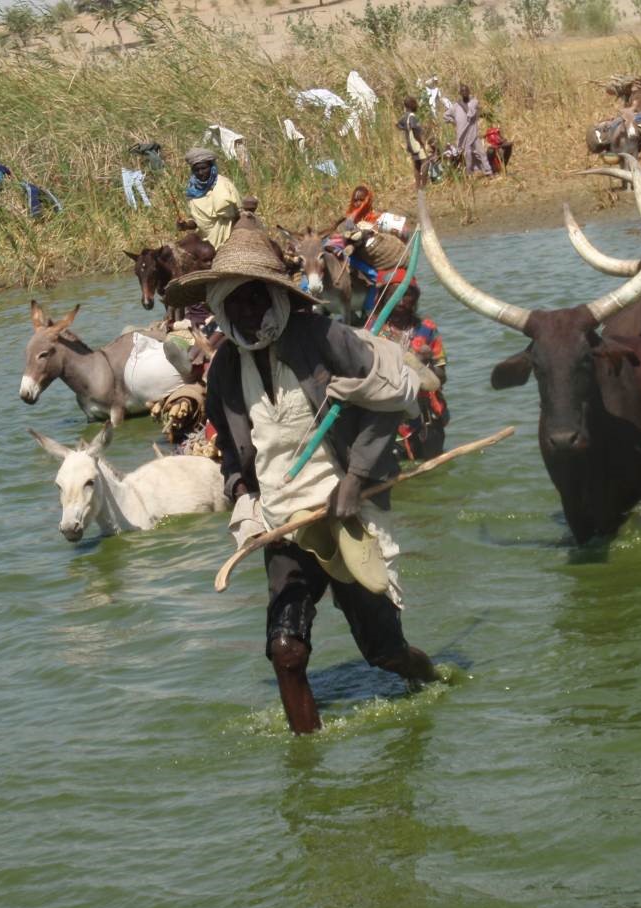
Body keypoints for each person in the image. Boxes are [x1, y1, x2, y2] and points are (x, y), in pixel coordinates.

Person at [166, 204, 439, 735]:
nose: (246, 312)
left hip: (343, 514)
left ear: (276, 294)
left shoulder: (325, 339)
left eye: (255, 297)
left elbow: (385, 402)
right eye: (233, 301)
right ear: (219, 307)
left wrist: (356, 479)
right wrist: (242, 495)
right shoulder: (224, 368)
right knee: (286, 654)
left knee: (384, 654)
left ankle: (430, 682)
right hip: (283, 526)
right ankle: (306, 772)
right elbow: (232, 451)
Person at [377, 284, 449, 460]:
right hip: (389, 416)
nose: (401, 301)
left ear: (415, 299)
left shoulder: (427, 329)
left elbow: (441, 376)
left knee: (432, 466)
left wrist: (424, 364)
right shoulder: (374, 330)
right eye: (394, 295)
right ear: (383, 298)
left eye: (406, 295)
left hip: (426, 414)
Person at [184, 148, 242, 251]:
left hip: (230, 239)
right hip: (204, 247)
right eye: (196, 170)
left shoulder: (224, 185)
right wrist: (185, 225)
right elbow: (196, 222)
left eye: (204, 168)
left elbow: (240, 212)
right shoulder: (192, 192)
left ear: (212, 167)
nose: (201, 173)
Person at [446, 84, 493, 177]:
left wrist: (461, 103)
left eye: (466, 91)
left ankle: (489, 172)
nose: (464, 93)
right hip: (463, 136)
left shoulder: (474, 102)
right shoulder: (455, 106)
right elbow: (446, 115)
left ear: (469, 91)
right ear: (460, 93)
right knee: (468, 156)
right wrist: (454, 121)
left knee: (481, 152)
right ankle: (469, 175)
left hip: (473, 133)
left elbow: (470, 113)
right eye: (462, 91)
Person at [397, 96, 429, 189]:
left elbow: (398, 125)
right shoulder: (412, 117)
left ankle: (418, 186)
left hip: (410, 145)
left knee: (417, 164)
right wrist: (421, 141)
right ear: (412, 105)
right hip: (416, 144)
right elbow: (415, 130)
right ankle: (424, 185)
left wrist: (405, 129)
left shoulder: (404, 116)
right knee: (425, 162)